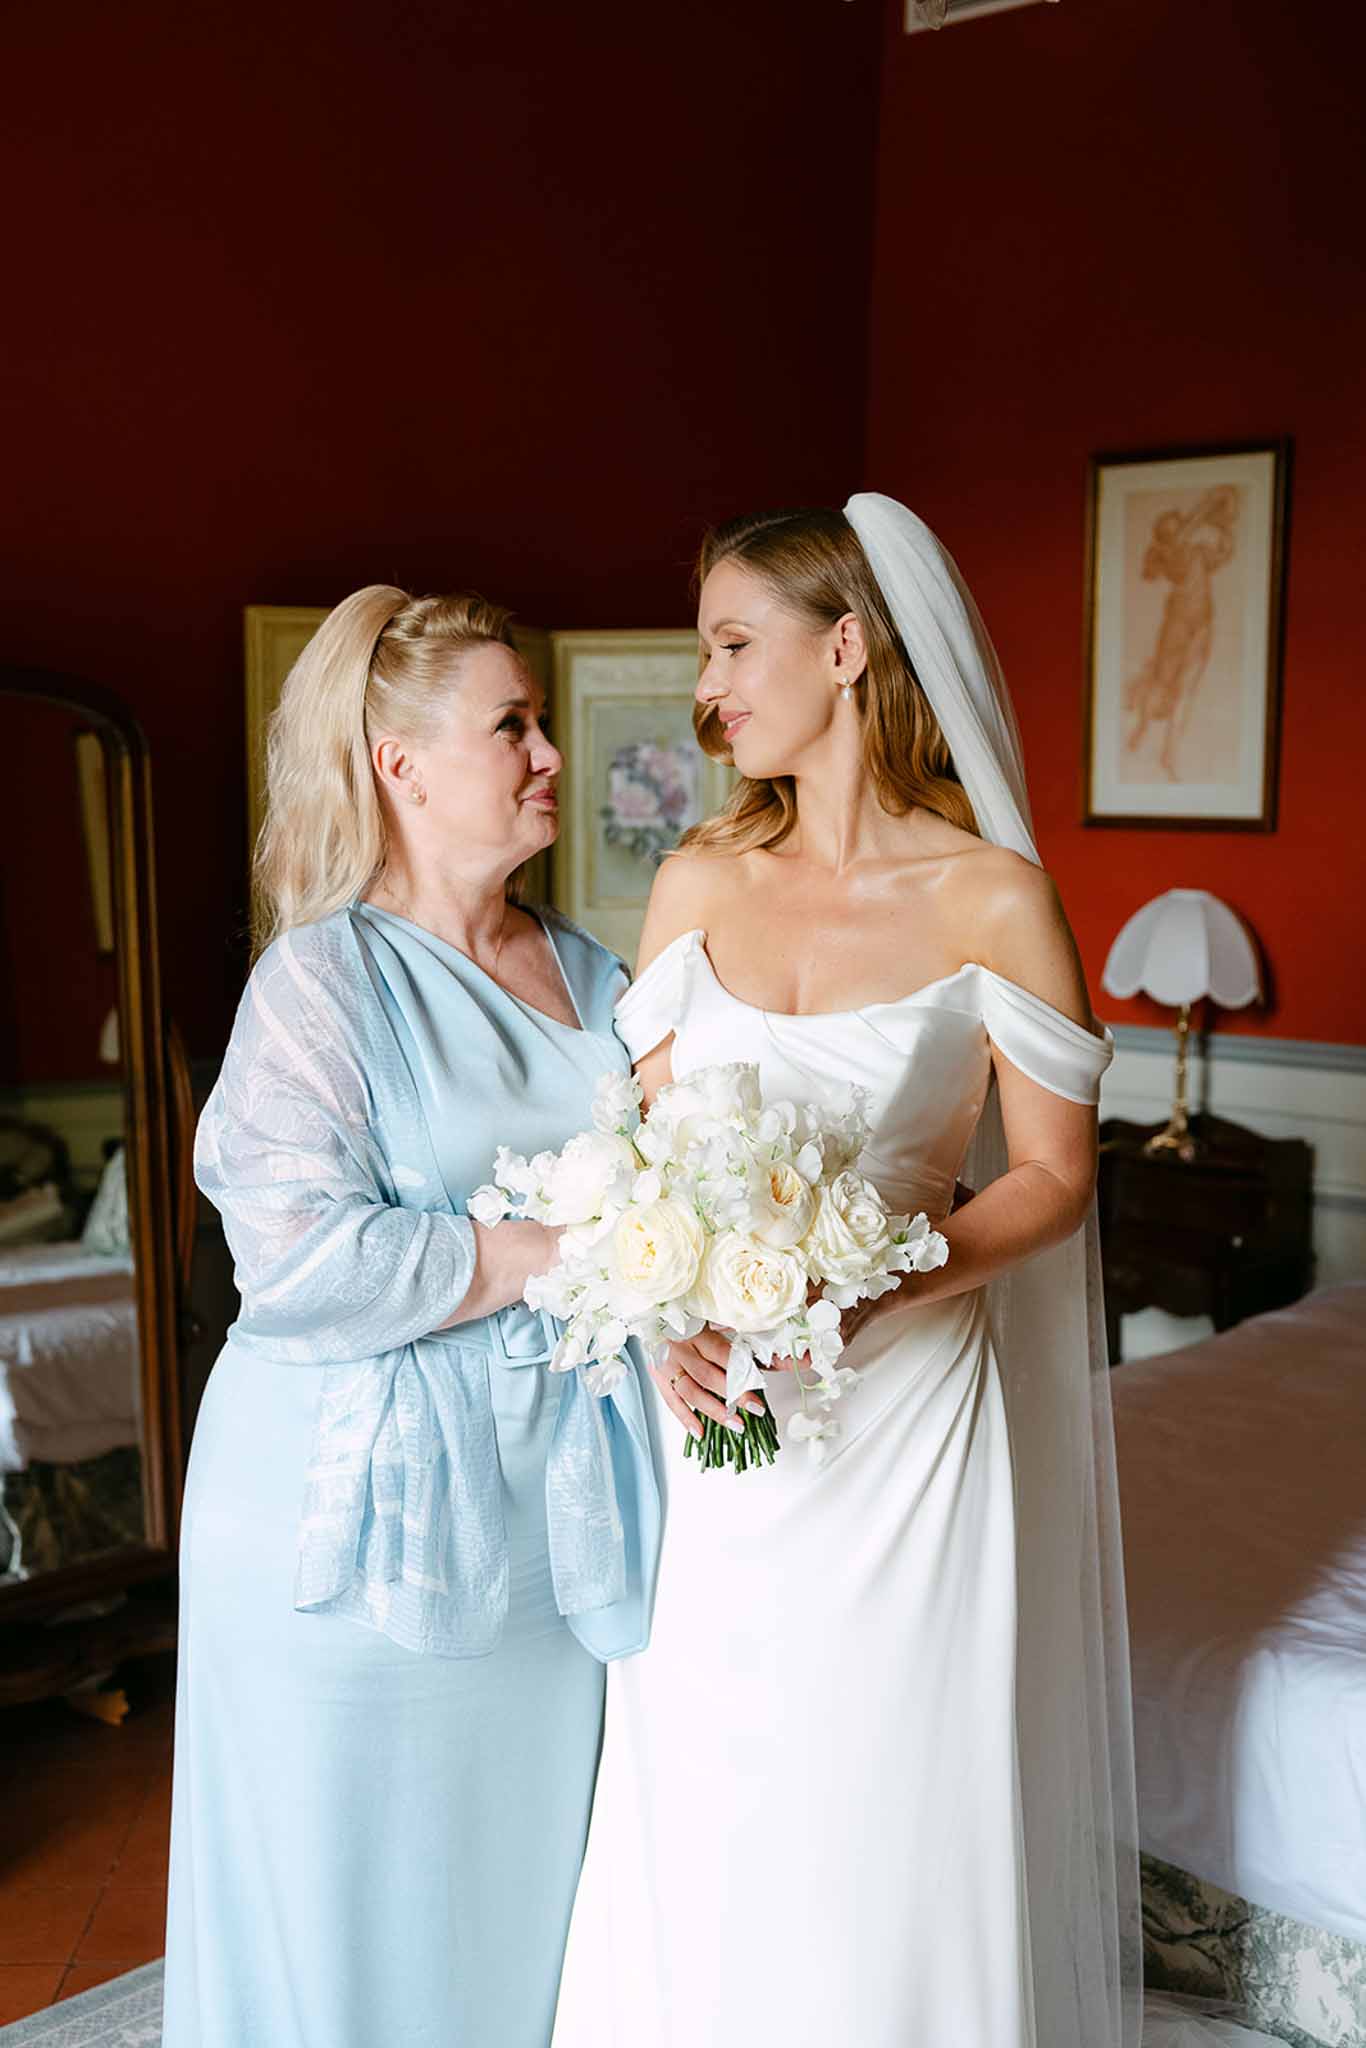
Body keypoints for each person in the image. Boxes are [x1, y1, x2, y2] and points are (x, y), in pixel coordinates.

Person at [553, 498, 1282, 2048]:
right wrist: (665, 1314)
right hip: (719, 1434)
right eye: (703, 653)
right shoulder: (691, 882)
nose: (706, 688)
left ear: (847, 643)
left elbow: (1053, 1181)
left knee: (880, 1778)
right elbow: (644, 1166)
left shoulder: (991, 899)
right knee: (711, 1766)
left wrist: (881, 1279)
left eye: (732, 645)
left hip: (901, 1424)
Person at [163, 586, 659, 2048]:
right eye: (511, 724)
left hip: (550, 1500)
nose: (550, 753)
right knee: (357, 1901)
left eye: (541, 721)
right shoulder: (321, 979)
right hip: (352, 1517)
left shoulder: (590, 974)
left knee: (513, 1897)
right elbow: (301, 1262)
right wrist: (568, 1249)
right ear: (399, 763)